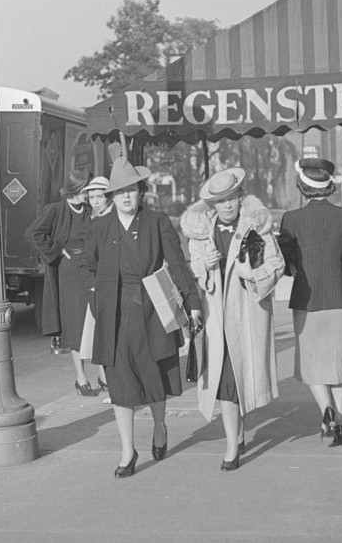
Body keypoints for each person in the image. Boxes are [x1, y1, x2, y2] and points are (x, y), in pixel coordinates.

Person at [83, 157, 201, 478]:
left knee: (155, 378)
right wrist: (97, 299)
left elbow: (177, 264)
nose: (125, 197)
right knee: (120, 385)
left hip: (152, 312)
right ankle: (127, 451)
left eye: (131, 190)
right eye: (119, 192)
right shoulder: (99, 227)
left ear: (140, 192)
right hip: (115, 317)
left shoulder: (157, 223)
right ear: (111, 196)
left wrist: (192, 303)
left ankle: (160, 427)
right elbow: (89, 265)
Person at [180, 168, 285, 470]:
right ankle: (231, 444)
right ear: (212, 205)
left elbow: (276, 264)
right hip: (216, 319)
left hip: (246, 317)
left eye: (232, 199)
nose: (227, 206)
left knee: (238, 380)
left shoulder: (256, 227)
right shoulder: (202, 232)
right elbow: (194, 268)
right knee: (226, 381)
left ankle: (236, 434)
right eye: (221, 201)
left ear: (240, 198)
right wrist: (205, 266)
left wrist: (251, 274)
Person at [278, 158, 342, 446]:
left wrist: (297, 270)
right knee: (340, 364)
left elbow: (284, 262)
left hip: (306, 300)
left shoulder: (292, 220)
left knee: (312, 363)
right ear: (330, 186)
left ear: (302, 187)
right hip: (341, 298)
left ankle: (326, 410)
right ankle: (337, 419)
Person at [25, 168, 100, 395]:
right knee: (76, 325)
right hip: (70, 274)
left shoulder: (91, 211)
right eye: (86, 188)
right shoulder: (56, 211)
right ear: (76, 191)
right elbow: (33, 233)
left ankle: (104, 375)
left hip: (92, 270)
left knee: (97, 321)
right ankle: (81, 378)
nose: (88, 193)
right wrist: (57, 252)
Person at [76, 176, 112, 394]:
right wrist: (91, 284)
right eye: (92, 197)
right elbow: (89, 257)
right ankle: (106, 376)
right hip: (97, 283)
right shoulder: (94, 220)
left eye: (99, 197)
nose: (95, 201)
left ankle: (108, 376)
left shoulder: (112, 218)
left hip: (113, 282)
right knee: (101, 330)